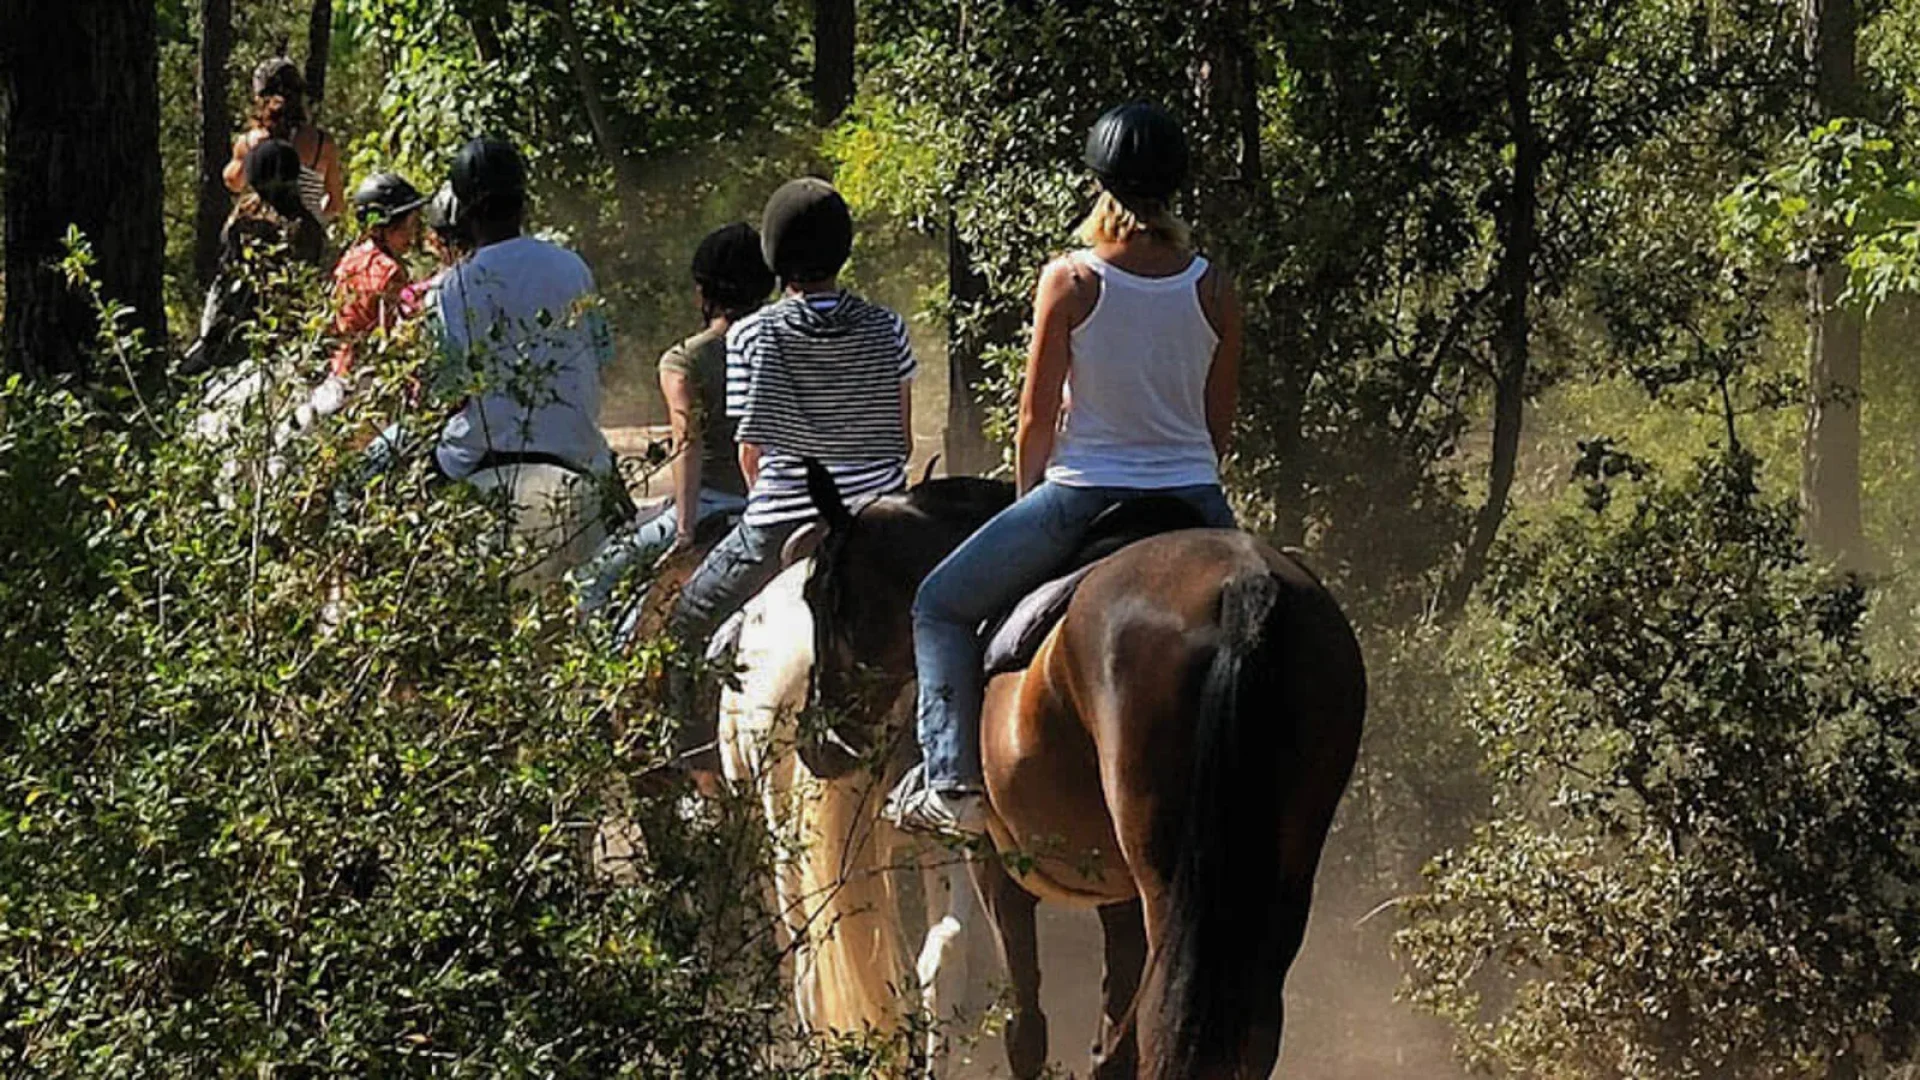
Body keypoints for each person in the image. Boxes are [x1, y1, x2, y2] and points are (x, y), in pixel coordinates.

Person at [886, 102, 1243, 836]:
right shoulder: (1215, 287)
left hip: (1084, 495)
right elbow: (1218, 424)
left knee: (941, 605)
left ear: (1098, 182)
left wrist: (1028, 504)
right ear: (1175, 187)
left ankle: (952, 782)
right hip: (1196, 499)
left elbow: (1034, 419)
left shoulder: (1072, 281)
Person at [663, 178, 916, 745]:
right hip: (882, 523)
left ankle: (694, 760)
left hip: (783, 525)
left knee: (686, 622)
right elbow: (901, 439)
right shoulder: (888, 327)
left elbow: (750, 451)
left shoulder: (753, 334)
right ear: (844, 249)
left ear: (774, 256)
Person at [573, 222, 774, 637]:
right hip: (776, 501)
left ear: (703, 292)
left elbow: (688, 443)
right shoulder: (783, 342)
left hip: (712, 504)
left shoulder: (684, 360)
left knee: (590, 582)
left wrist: (685, 532)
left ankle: (607, 682)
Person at [428, 137, 616, 483]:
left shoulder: (449, 289)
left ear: (464, 210)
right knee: (623, 525)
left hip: (479, 454)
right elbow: (603, 358)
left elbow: (446, 390)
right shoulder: (573, 267)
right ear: (522, 201)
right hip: (579, 451)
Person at [181, 139, 327, 376]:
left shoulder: (243, 219)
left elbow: (225, 277)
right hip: (285, 337)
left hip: (234, 332)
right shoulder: (307, 228)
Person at [316, 173, 427, 412]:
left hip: (339, 370)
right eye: (406, 226)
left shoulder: (352, 257)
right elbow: (392, 340)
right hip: (367, 379)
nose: (412, 234)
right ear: (381, 227)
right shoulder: (390, 272)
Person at [222, 57, 347, 225]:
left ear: (259, 97)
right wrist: (315, 217)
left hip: (260, 236)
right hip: (304, 240)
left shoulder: (248, 143)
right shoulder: (322, 143)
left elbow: (234, 183)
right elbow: (337, 204)